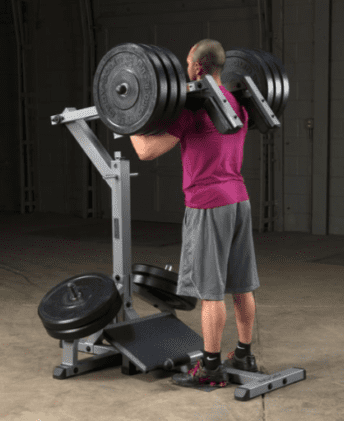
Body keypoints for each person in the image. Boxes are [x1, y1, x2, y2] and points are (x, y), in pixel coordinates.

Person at [130, 39, 260, 388]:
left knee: (210, 292)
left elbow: (146, 150)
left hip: (208, 205)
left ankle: (211, 369)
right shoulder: (240, 101)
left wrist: (126, 115)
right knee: (242, 286)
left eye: (188, 64)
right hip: (239, 200)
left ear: (199, 68)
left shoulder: (193, 110)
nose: (185, 70)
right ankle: (245, 353)